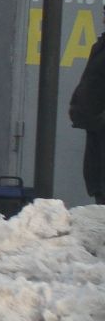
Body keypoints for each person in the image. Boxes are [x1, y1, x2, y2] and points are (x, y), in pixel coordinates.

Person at [69, 20, 105, 203]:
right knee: (95, 175)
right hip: (93, 122)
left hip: (99, 121)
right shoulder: (99, 46)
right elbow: (90, 79)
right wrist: (77, 104)